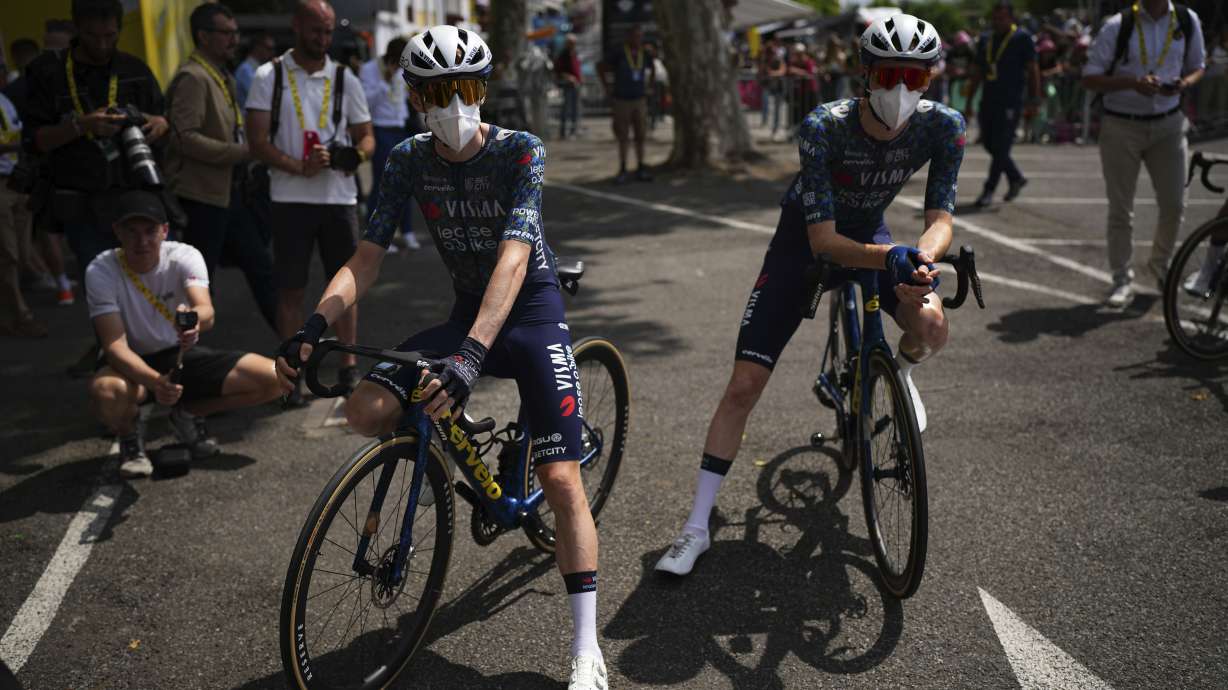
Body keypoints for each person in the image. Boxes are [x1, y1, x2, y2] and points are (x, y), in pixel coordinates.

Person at [274, 25, 608, 690]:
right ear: (415, 97)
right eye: (437, 92)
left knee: (562, 481)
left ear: (483, 90)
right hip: (467, 312)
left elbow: (514, 258)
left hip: (529, 312)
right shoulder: (406, 159)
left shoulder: (522, 151)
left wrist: (471, 358)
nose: (454, 104)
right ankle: (451, 448)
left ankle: (585, 648)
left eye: (468, 88)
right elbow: (366, 257)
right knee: (366, 409)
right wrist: (316, 322)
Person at [655, 14, 964, 577]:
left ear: (931, 81)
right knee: (744, 383)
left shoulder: (943, 127)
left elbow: (941, 215)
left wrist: (921, 255)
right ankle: (696, 527)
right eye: (890, 74)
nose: (901, 90)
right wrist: (890, 256)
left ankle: (902, 374)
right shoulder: (825, 124)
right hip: (805, 244)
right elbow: (824, 241)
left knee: (933, 327)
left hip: (873, 238)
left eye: (916, 79)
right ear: (865, 74)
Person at [86, 190, 281, 478]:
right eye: (132, 232)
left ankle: (189, 413)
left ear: (164, 231)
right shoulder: (101, 270)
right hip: (129, 361)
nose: (142, 241)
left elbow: (207, 310)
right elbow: (114, 346)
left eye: (150, 231)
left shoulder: (184, 256)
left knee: (276, 378)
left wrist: (192, 322)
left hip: (177, 355)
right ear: (117, 232)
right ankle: (130, 436)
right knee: (107, 392)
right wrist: (156, 383)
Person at [245, 0, 374, 406]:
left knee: (345, 287)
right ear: (297, 26)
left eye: (329, 30)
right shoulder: (270, 76)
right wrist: (296, 166)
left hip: (338, 197)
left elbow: (365, 136)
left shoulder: (344, 77)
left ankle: (348, 365)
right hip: (290, 199)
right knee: (291, 290)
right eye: (317, 30)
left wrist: (354, 156)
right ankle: (290, 373)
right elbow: (257, 142)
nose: (324, 39)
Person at [22, 0, 169, 286]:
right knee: (105, 293)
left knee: (155, 288)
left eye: (110, 36)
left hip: (136, 195)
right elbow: (34, 140)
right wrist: (81, 126)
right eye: (92, 36)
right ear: (76, 30)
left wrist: (160, 124)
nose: (102, 45)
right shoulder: (48, 72)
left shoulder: (133, 69)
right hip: (82, 202)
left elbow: (165, 119)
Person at [1083, 0, 1206, 308]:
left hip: (1169, 124)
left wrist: (1184, 83)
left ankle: (1160, 265)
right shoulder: (1118, 24)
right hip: (1121, 125)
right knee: (1121, 209)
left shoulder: (1187, 20)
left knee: (1175, 203)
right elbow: (1089, 77)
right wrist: (1132, 83)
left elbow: (1198, 67)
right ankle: (1122, 280)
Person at [166, 3, 278, 334]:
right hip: (201, 197)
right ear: (203, 36)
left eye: (235, 32)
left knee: (262, 268)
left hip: (228, 193)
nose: (234, 39)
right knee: (201, 281)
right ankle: (184, 356)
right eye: (226, 33)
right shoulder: (193, 77)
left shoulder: (219, 73)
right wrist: (243, 152)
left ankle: (296, 343)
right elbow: (183, 139)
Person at [964, 1, 1040, 208]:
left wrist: (1034, 99)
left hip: (1011, 101)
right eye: (995, 18)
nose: (998, 22)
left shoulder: (1022, 38)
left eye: (1002, 18)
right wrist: (969, 101)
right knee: (989, 143)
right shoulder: (986, 39)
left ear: (1011, 18)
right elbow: (978, 72)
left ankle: (989, 190)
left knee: (1001, 145)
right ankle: (1015, 177)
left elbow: (1033, 70)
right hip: (988, 99)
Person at [359, 35, 421, 252]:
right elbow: (364, 102)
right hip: (380, 128)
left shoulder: (403, 71)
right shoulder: (369, 70)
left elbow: (402, 100)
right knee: (383, 183)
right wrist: (384, 82)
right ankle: (377, 235)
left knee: (406, 181)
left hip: (400, 128)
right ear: (391, 57)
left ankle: (407, 231)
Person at [0, 84, 47, 337]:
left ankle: (8, 317)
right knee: (7, 255)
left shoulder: (5, 100)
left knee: (22, 253)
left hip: (17, 182)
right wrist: (22, 144)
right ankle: (21, 315)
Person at [598, 24, 653, 184]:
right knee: (623, 136)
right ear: (628, 37)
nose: (638, 39)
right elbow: (600, 66)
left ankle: (641, 167)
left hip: (640, 99)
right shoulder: (619, 52)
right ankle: (623, 168)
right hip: (622, 99)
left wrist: (649, 86)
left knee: (641, 135)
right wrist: (607, 88)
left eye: (640, 36)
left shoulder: (645, 53)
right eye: (635, 36)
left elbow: (652, 68)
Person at [235, 31, 276, 108]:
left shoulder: (256, 69)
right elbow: (262, 96)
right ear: (258, 47)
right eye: (269, 48)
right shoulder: (245, 70)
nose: (272, 52)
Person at [555, 34, 582, 139]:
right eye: (571, 43)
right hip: (567, 86)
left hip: (577, 85)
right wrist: (569, 77)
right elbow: (558, 70)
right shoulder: (563, 55)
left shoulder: (575, 54)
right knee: (566, 109)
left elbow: (577, 67)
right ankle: (563, 132)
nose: (573, 45)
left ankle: (573, 131)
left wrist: (579, 78)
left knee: (576, 109)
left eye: (574, 43)